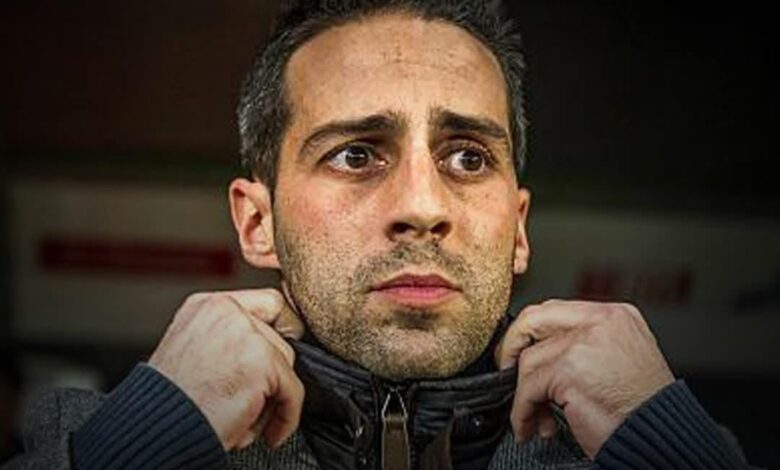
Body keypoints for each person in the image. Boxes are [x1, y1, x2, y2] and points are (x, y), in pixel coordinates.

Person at [4, 1, 754, 469]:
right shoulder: (98, 443)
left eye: (468, 158)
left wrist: (672, 451)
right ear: (257, 222)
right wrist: (146, 444)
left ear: (519, 229)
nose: (423, 206)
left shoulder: (639, 446)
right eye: (356, 155)